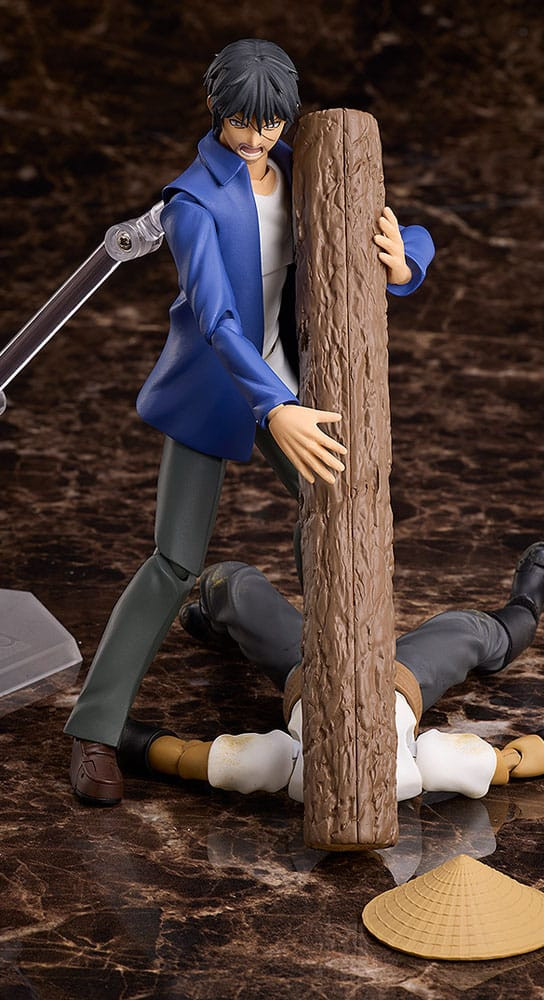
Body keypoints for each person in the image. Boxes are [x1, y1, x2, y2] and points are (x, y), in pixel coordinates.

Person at [65, 39, 435, 805]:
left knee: (334, 505)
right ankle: (94, 728)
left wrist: (402, 260)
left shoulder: (305, 169)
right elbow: (217, 322)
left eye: (269, 123)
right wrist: (278, 406)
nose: (256, 137)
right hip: (219, 390)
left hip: (285, 380)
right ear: (217, 110)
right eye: (242, 121)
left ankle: (334, 672)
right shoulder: (194, 202)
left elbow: (395, 229)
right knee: (174, 559)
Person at [117, 543, 544, 801]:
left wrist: (118, 737)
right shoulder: (416, 766)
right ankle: (523, 612)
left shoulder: (286, 765)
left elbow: (182, 756)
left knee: (230, 585)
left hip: (310, 669)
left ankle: (222, 624)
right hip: (400, 676)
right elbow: (513, 762)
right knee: (471, 631)